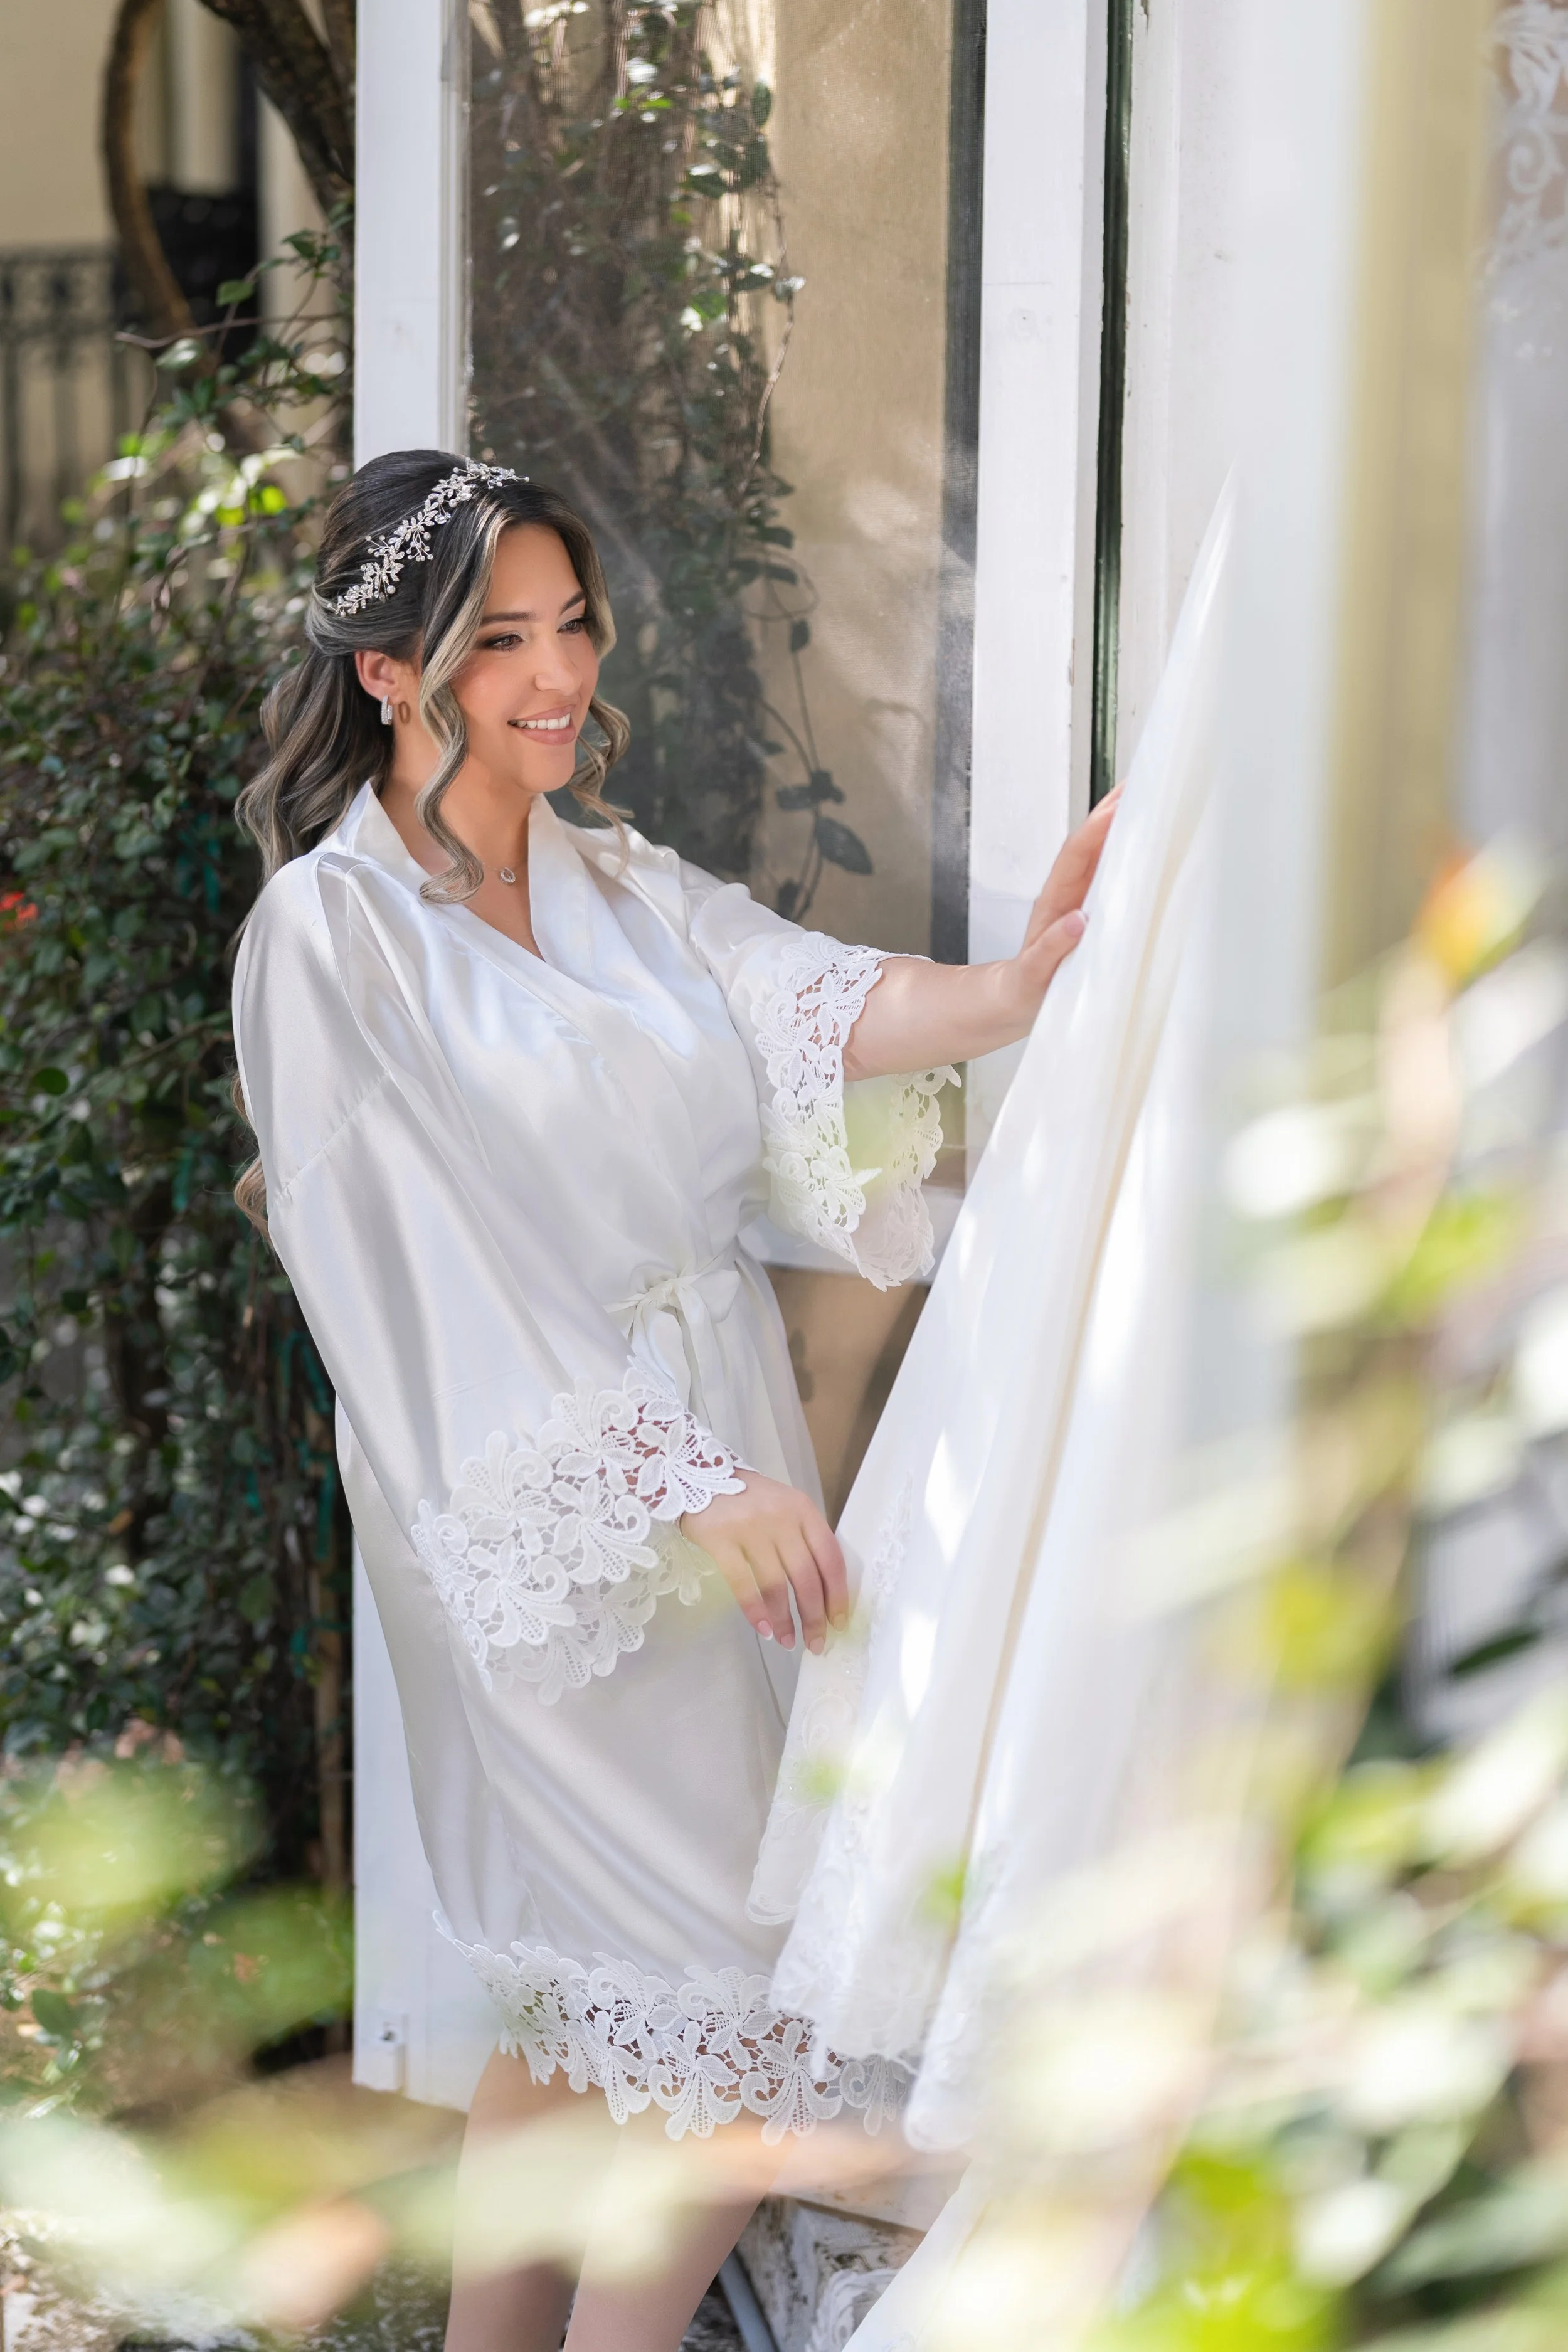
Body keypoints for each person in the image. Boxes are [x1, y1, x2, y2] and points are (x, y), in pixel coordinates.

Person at [231, 452, 1115, 2352]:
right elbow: (412, 1283)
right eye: (501, 644)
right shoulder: (332, 936)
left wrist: (1028, 982)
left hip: (724, 1458)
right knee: (735, 1994)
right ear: (393, 672)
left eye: (571, 627)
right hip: (546, 1509)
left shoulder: (619, 881)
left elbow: (809, 1004)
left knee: (591, 1995)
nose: (556, 676)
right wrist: (670, 1480)